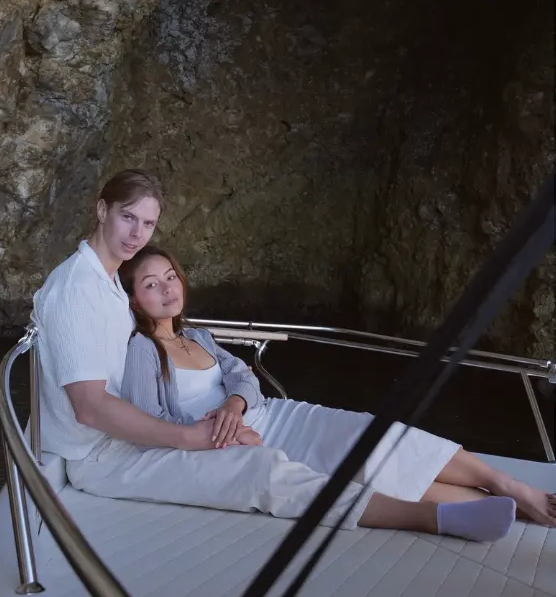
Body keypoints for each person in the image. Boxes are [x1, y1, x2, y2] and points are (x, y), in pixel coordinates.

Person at [31, 169, 522, 543]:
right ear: (101, 210)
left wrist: (232, 405)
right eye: (127, 217)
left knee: (357, 437)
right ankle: (429, 517)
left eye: (148, 222)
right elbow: (90, 407)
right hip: (101, 455)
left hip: (138, 433)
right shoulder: (78, 289)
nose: (137, 233)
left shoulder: (112, 286)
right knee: (261, 471)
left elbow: (228, 370)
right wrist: (192, 436)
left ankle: (499, 489)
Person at [119, 244, 556, 526]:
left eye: (170, 276)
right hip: (236, 444)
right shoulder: (142, 349)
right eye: (151, 284)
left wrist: (234, 405)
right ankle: (508, 509)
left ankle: (507, 485)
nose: (166, 288)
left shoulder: (196, 335)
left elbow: (244, 375)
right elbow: (153, 423)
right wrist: (220, 434)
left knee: (374, 435)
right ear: (135, 299)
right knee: (365, 475)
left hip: (274, 416)